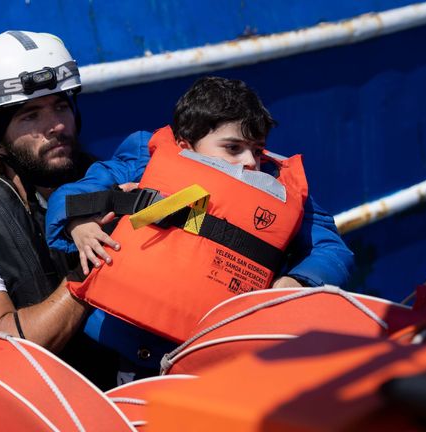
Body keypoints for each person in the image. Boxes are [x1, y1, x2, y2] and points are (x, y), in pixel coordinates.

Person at [45, 76, 355, 360]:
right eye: (232, 148)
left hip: (208, 352)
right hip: (115, 343)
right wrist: (78, 224)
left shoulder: (277, 188)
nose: (249, 161)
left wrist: (294, 282)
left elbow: (332, 249)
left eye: (258, 150)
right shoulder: (145, 157)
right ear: (185, 145)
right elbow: (72, 194)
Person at [0, 30, 119, 390]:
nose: (55, 126)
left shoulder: (114, 186)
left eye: (61, 106)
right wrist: (93, 269)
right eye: (30, 115)